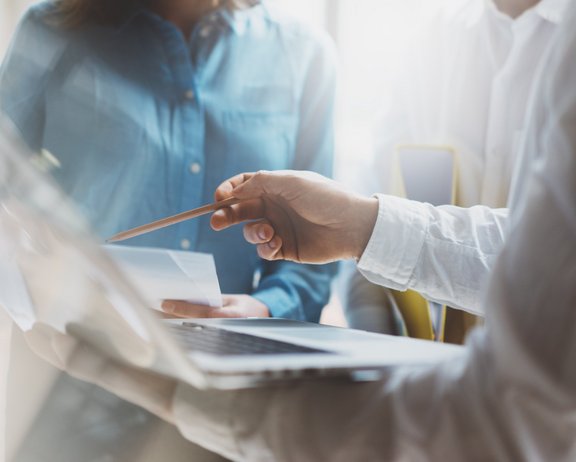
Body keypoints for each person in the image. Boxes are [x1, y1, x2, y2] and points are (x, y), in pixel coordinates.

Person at [152, 1, 576, 457]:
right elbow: (530, 250)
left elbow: (512, 417)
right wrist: (361, 228)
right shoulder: (430, 47)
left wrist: (173, 394)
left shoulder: (304, 52)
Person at [0, 0, 337, 322]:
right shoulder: (50, 29)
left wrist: (267, 307)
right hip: (67, 348)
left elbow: (314, 238)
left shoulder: (304, 53)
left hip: (229, 360)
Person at [344, 0, 569, 336]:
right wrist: (376, 350)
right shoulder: (428, 41)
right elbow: (374, 194)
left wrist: (361, 227)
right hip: (438, 369)